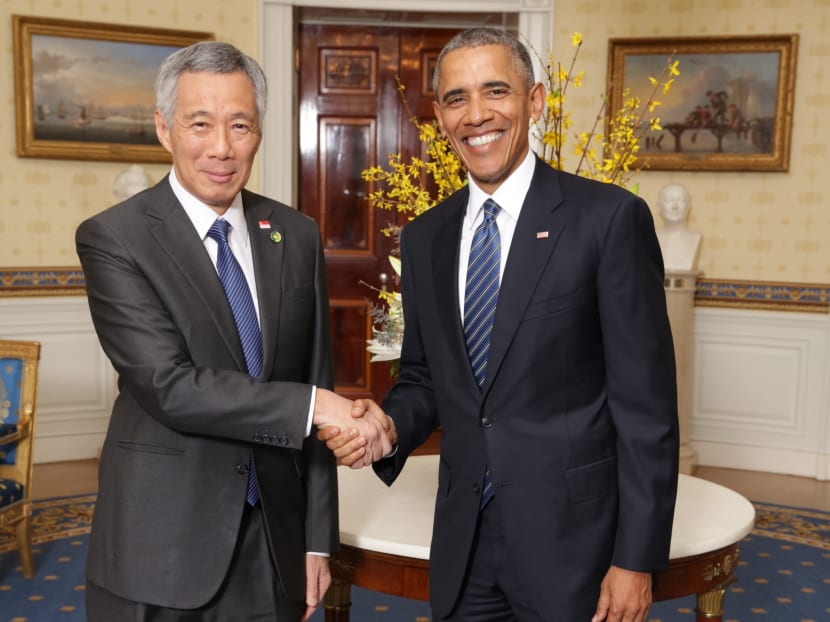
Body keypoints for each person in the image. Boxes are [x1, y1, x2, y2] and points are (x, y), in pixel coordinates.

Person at [320, 27, 679, 622]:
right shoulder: (426, 236)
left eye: (496, 91)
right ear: (439, 115)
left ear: (534, 102)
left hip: (575, 548)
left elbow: (647, 411)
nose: (477, 114)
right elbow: (425, 379)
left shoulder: (608, 220)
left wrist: (635, 560)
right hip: (464, 545)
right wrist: (384, 428)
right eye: (457, 98)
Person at [76, 41, 390, 621]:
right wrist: (318, 406)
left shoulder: (294, 234)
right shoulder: (115, 238)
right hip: (161, 546)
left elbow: (314, 374)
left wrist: (318, 537)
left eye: (240, 124)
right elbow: (168, 385)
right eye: (200, 123)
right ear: (164, 128)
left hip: (273, 537)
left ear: (260, 132)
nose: (221, 148)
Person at [655, 183, 702, 272]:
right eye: (668, 201)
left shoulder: (696, 236)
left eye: (681, 201)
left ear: (689, 206)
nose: (675, 206)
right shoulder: (650, 237)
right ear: (658, 207)